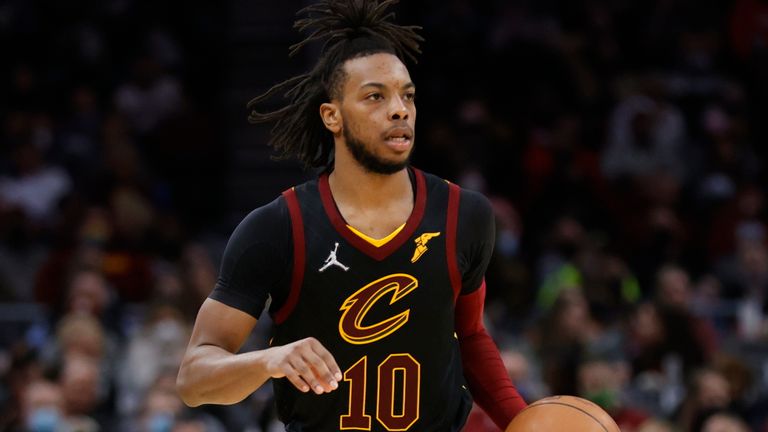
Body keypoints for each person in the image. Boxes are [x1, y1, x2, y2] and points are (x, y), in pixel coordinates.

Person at [176, 0, 527, 430]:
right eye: (375, 96)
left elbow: (470, 336)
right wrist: (269, 359)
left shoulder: (464, 214)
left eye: (407, 95)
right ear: (332, 116)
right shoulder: (278, 226)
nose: (399, 109)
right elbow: (194, 379)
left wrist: (523, 421)